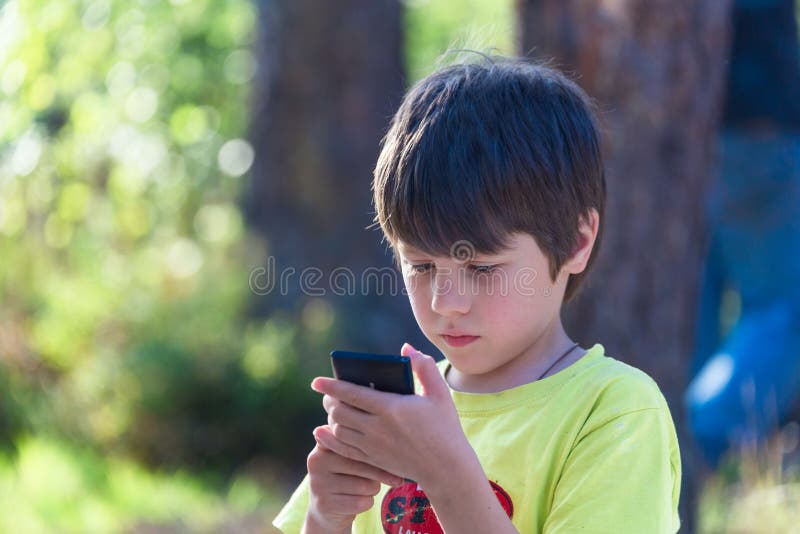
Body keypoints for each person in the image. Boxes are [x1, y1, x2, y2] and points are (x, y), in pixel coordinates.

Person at [273, 55, 682, 533]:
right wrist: (325, 516)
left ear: (576, 242)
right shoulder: (398, 415)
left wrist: (446, 475)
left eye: (482, 267)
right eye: (421, 265)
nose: (446, 301)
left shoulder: (613, 411)